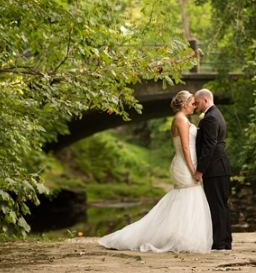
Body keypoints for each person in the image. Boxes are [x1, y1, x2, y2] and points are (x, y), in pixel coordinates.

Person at [98, 91, 213, 253]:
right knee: (188, 196)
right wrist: (193, 170)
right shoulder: (180, 119)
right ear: (184, 104)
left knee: (186, 199)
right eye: (192, 103)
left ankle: (184, 237)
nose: (194, 106)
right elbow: (186, 148)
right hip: (185, 164)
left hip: (188, 162)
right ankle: (181, 239)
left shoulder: (183, 119)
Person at [193, 88, 233, 251]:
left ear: (206, 100)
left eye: (197, 102)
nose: (196, 106)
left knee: (216, 206)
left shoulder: (210, 118)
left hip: (215, 167)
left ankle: (219, 243)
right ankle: (225, 242)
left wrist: (200, 170)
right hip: (220, 166)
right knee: (222, 205)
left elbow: (209, 146)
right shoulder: (216, 114)